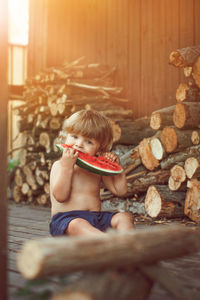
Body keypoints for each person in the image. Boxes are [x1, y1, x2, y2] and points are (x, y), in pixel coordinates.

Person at [49, 109, 134, 236]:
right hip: (66, 220)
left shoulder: (97, 168)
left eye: (88, 141)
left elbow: (120, 191)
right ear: (65, 136)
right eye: (74, 137)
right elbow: (60, 196)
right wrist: (67, 168)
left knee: (125, 217)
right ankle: (108, 243)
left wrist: (117, 169)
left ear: (100, 147)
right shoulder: (59, 165)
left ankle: (127, 242)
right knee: (77, 224)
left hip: (96, 218)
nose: (79, 144)